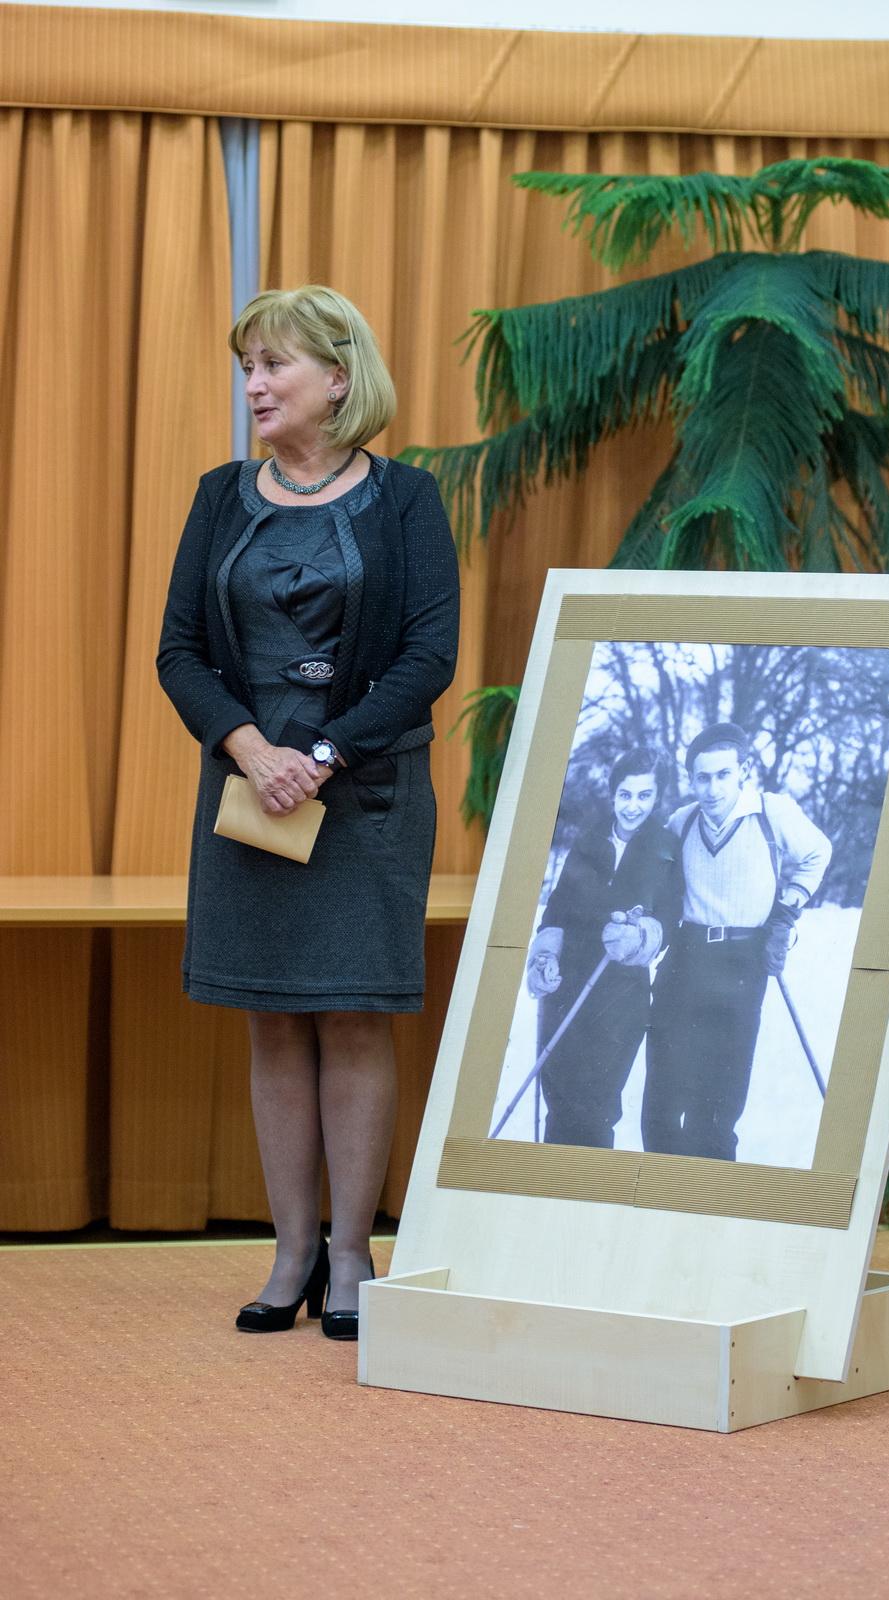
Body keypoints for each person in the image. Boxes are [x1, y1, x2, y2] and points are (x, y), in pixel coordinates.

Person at [157, 285, 459, 1339]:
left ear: (338, 376)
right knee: (274, 1017)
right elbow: (180, 652)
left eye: (274, 364)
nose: (254, 384)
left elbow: (428, 657)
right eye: (247, 366)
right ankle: (290, 1252)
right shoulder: (219, 496)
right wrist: (250, 748)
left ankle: (351, 1255)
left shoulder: (407, 500)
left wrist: (324, 755)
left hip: (364, 794)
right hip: (252, 797)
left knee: (353, 1013)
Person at [643, 723, 831, 1161]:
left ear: (743, 771)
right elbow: (656, 881)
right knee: (663, 1101)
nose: (712, 789)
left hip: (742, 962)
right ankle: (658, 1192)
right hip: (686, 959)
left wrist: (786, 912)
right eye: (702, 778)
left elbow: (817, 853)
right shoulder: (682, 820)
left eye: (723, 775)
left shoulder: (771, 812)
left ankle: (710, 1196)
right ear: (692, 780)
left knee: (717, 1107)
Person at [524, 748, 681, 1148]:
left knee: (595, 1108)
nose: (633, 806)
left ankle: (588, 1182)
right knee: (560, 1102)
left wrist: (639, 938)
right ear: (613, 794)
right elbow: (557, 907)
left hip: (620, 997)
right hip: (567, 986)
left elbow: (670, 918)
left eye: (644, 795)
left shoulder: (665, 846)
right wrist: (545, 956)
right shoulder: (589, 840)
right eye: (625, 794)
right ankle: (551, 1181)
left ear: (657, 797)